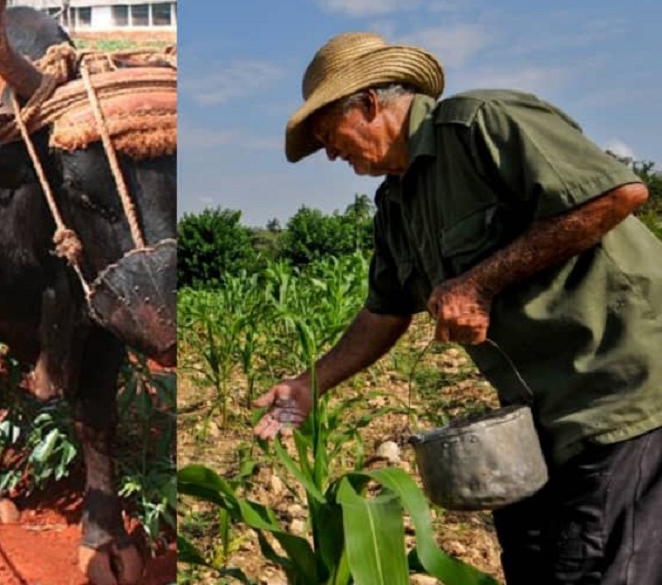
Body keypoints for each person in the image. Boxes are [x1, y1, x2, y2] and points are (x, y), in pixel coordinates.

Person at [254, 31, 662, 583]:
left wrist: (479, 282)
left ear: (370, 103)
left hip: (620, 388)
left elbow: (614, 195)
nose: (330, 152)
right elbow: (384, 313)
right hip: (536, 414)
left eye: (330, 134)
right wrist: (309, 383)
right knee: (532, 560)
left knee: (599, 566)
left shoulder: (481, 124)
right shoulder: (396, 205)